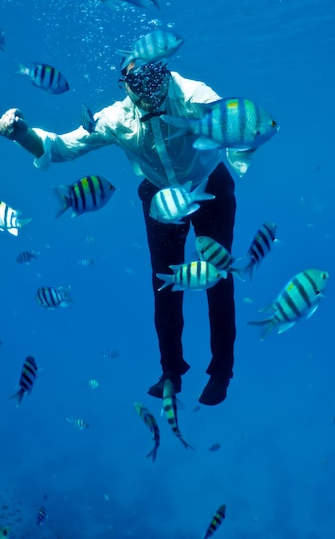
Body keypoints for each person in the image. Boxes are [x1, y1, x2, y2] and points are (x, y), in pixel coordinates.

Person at [0, 61, 243, 405]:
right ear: (125, 84)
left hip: (211, 187)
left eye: (154, 77)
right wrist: (22, 134)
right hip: (161, 197)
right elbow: (62, 147)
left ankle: (221, 371)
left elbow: (235, 121)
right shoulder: (115, 118)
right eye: (137, 81)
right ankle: (171, 371)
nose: (149, 90)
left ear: (166, 72)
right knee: (164, 284)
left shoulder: (194, 94)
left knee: (219, 276)